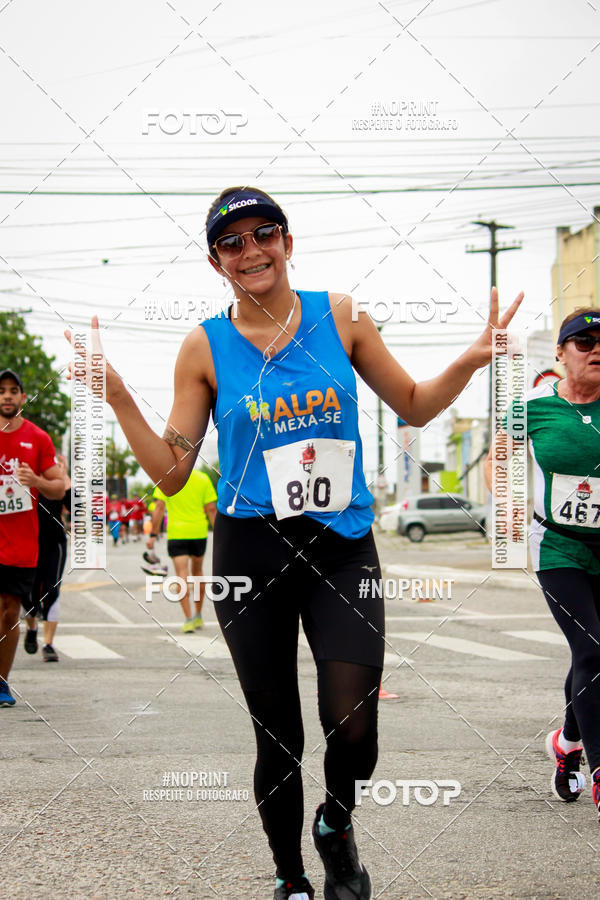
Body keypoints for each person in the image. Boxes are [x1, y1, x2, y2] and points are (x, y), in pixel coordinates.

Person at [66, 186, 522, 899]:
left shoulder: (343, 315)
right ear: (216, 262)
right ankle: (292, 879)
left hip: (342, 545)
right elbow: (170, 469)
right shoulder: (203, 347)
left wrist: (470, 359)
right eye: (232, 242)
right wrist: (118, 393)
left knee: (355, 728)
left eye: (263, 233)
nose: (251, 251)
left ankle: (336, 823)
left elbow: (413, 404)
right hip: (252, 553)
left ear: (287, 241)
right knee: (277, 736)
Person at [485, 307, 600, 821]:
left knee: (590, 659)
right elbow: (496, 461)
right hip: (558, 547)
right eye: (584, 341)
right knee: (594, 650)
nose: (595, 349)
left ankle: (568, 741)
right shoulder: (529, 407)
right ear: (560, 352)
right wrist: (504, 498)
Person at [0, 369, 64, 706]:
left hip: (22, 542)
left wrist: (36, 480)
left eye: (13, 391)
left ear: (23, 398)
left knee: (10, 612)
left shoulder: (37, 438)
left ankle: (2, 681)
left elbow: (59, 485)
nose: (7, 396)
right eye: (2, 391)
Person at [145, 469, 217, 632]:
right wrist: (219, 534)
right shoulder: (203, 478)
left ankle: (189, 619)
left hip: (177, 533)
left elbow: (159, 508)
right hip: (198, 532)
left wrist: (153, 535)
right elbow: (211, 509)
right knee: (198, 572)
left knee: (181, 574)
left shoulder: (166, 476)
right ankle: (199, 616)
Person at [23, 454, 71, 663]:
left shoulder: (57, 484)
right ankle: (32, 628)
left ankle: (48, 644)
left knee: (52, 590)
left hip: (54, 543)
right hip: (27, 541)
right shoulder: (26, 479)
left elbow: (75, 508)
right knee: (28, 593)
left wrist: (65, 477)